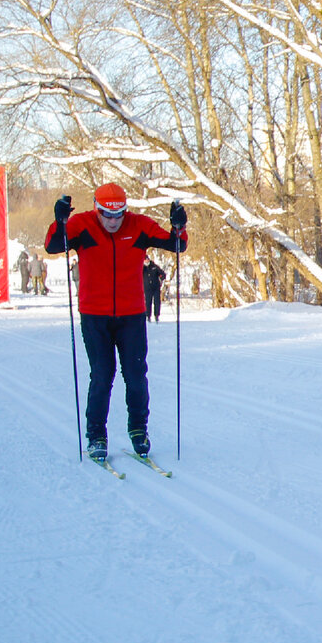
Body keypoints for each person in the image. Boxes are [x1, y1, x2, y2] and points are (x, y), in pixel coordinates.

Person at [45, 184, 188, 462]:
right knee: (102, 375)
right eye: (106, 215)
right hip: (94, 315)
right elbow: (53, 245)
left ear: (126, 210)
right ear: (96, 209)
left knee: (135, 376)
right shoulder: (82, 225)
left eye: (118, 215)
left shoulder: (139, 226)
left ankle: (138, 430)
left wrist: (179, 226)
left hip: (131, 315)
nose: (112, 221)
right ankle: (96, 435)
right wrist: (59, 221)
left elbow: (177, 245)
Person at [143, 257, 166, 322]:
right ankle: (148, 316)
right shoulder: (142, 268)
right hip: (147, 288)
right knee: (148, 302)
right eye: (145, 259)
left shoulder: (154, 266)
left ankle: (156, 316)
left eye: (147, 259)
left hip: (156, 287)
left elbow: (162, 274)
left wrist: (161, 278)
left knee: (157, 302)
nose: (146, 260)